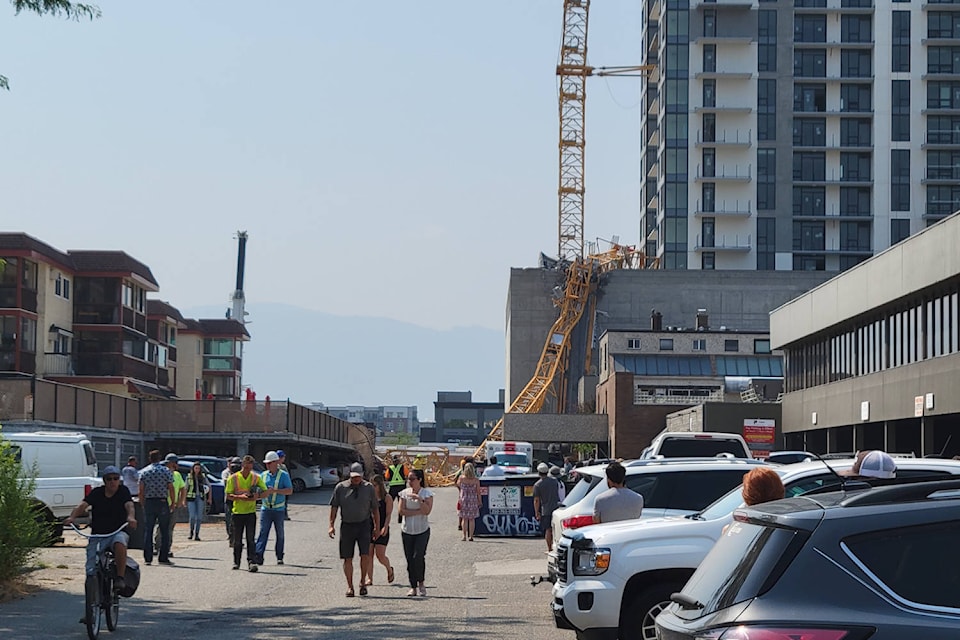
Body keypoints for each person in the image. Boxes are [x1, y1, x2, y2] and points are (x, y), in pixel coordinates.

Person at [64, 466, 137, 598]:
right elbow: (83, 505)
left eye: (115, 478)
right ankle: (90, 608)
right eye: (109, 479)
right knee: (91, 570)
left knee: (120, 543)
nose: (112, 482)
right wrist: (72, 517)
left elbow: (129, 505)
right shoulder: (97, 492)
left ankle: (120, 578)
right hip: (98, 534)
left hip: (117, 531)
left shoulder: (123, 491)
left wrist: (131, 517)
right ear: (104, 480)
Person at [329, 462, 380, 597]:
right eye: (353, 477)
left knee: (365, 555)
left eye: (358, 477)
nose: (355, 479)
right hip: (347, 525)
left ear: (362, 475)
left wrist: (377, 527)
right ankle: (350, 586)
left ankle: (362, 582)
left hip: (364, 525)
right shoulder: (341, 488)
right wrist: (331, 525)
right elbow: (334, 506)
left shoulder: (368, 488)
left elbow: (375, 508)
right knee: (347, 558)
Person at [225, 455, 268, 572]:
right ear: (242, 465)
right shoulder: (233, 478)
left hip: (250, 512)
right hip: (237, 512)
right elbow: (228, 495)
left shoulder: (255, 478)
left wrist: (257, 496)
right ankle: (236, 562)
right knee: (237, 540)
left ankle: (251, 562)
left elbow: (265, 492)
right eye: (246, 467)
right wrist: (240, 497)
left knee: (250, 539)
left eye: (250, 467)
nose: (248, 469)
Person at [398, 468, 434, 597]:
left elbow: (427, 511)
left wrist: (419, 499)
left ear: (419, 480)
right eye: (408, 479)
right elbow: (402, 511)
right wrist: (417, 512)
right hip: (407, 530)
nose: (410, 482)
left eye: (412, 479)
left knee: (418, 557)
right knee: (409, 559)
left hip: (422, 530)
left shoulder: (427, 494)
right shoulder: (403, 493)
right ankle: (412, 586)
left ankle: (421, 584)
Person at [254, 450, 293, 566]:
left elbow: (289, 490)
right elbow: (258, 489)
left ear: (276, 463)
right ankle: (259, 556)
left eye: (270, 463)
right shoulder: (263, 475)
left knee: (279, 534)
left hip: (278, 510)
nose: (267, 465)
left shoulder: (283, 475)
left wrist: (275, 491)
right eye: (266, 463)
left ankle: (279, 556)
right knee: (263, 532)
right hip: (266, 509)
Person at [138, 449, 175, 566]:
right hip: (162, 501)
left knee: (148, 530)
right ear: (160, 458)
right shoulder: (165, 471)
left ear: (149, 459)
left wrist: (142, 502)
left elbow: (141, 490)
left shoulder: (144, 472)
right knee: (164, 530)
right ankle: (163, 557)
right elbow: (171, 487)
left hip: (149, 502)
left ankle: (148, 558)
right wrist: (173, 502)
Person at [363, 473, 395, 586]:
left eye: (375, 485)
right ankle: (369, 578)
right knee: (368, 555)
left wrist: (385, 527)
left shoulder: (387, 498)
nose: (373, 487)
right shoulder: (369, 498)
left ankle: (389, 569)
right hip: (369, 528)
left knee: (380, 555)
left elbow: (388, 514)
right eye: (371, 485)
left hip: (382, 527)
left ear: (380, 485)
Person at [154, 453, 185, 558]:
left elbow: (182, 488)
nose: (177, 465)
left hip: (174, 505)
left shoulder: (177, 475)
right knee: (161, 526)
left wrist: (180, 500)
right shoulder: (162, 473)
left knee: (170, 527)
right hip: (163, 504)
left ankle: (167, 548)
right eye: (175, 463)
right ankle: (157, 547)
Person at [533, 462, 561, 551]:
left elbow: (537, 500)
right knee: (557, 529)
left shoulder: (537, 485)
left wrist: (537, 512)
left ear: (538, 472)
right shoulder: (554, 481)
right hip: (557, 508)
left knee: (548, 530)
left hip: (546, 510)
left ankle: (549, 548)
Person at [184, 462, 211, 540]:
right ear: (193, 469)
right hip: (191, 498)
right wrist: (184, 499)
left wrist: (209, 498)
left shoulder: (203, 477)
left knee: (199, 517)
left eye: (198, 468)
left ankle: (197, 534)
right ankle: (191, 531)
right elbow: (185, 488)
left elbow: (209, 486)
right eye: (196, 468)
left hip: (200, 498)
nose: (197, 470)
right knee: (192, 516)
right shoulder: (189, 477)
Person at [456, 462, 481, 541]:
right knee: (471, 519)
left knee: (464, 518)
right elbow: (478, 492)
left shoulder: (461, 478)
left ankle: (464, 536)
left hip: (463, 499)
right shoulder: (476, 480)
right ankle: (471, 536)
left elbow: (458, 485)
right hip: (472, 500)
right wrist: (479, 501)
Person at [222, 456, 241, 546]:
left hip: (239, 500)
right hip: (230, 499)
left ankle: (236, 539)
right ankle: (231, 537)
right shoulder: (227, 475)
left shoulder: (242, 475)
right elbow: (227, 486)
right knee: (229, 519)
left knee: (238, 520)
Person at [384, 454, 408, 523]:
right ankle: (400, 519)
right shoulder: (403, 467)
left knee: (389, 503)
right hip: (402, 487)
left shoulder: (390, 468)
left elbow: (386, 476)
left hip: (393, 488)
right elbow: (406, 474)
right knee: (401, 503)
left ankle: (386, 517)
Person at [276, 449, 292, 521]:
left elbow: (287, 476)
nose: (283, 458)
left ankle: (284, 514)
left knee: (285, 501)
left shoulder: (283, 466)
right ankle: (282, 515)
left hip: (285, 486)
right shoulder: (276, 466)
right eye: (282, 457)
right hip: (279, 486)